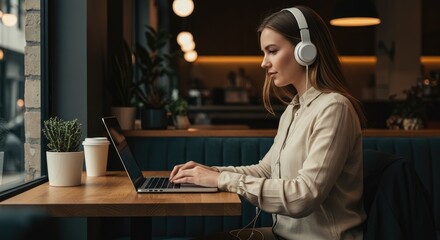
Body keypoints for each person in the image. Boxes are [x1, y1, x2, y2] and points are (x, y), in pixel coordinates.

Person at [170, 5, 366, 240]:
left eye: (272, 51)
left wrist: (222, 180)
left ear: (306, 50)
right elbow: (266, 170)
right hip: (282, 235)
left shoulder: (334, 108)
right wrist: (209, 172)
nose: (263, 63)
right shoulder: (295, 108)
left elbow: (304, 196)